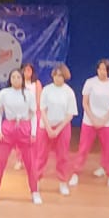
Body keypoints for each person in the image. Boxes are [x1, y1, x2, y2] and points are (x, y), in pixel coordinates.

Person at [0, 67, 39, 210]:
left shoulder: (29, 94)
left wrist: (33, 133)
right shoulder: (4, 93)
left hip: (24, 128)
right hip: (8, 128)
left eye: (18, 77)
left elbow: (33, 115)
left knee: (30, 163)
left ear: (22, 79)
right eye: (13, 77)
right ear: (9, 79)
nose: (16, 80)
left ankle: (34, 192)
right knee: (1, 161)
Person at [73, 59, 109, 190]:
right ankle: (76, 173)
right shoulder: (90, 82)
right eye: (100, 69)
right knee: (83, 148)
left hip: (107, 123)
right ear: (97, 70)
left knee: (108, 150)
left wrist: (104, 120)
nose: (102, 72)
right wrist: (93, 118)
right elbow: (85, 103)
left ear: (108, 71)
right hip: (89, 121)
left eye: (105, 69)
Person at [37, 64, 78, 197]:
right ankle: (36, 180)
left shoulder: (69, 92)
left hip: (63, 127)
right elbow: (42, 110)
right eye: (55, 75)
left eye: (60, 76)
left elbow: (70, 114)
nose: (57, 78)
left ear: (64, 77)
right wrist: (49, 128)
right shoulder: (46, 90)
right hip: (46, 126)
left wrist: (58, 129)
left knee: (63, 156)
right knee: (41, 155)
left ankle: (62, 182)